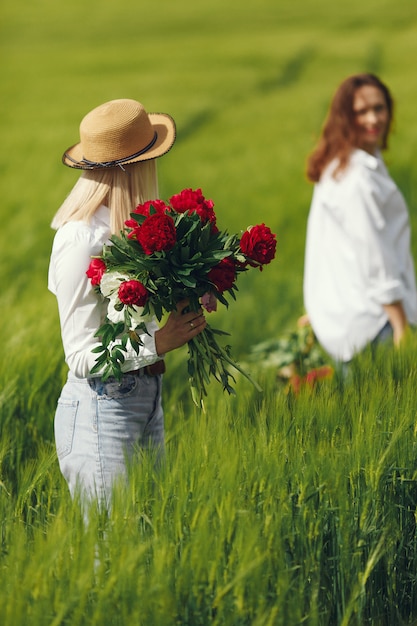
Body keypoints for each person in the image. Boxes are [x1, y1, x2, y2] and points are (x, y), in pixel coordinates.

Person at [48, 98, 206, 508]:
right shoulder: (80, 241)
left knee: (147, 545)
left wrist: (191, 289)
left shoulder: (132, 226)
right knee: (111, 556)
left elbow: (134, 315)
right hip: (102, 410)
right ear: (135, 165)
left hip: (145, 398)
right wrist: (157, 342)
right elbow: (80, 355)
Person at [303, 73, 417, 365]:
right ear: (345, 118)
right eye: (361, 112)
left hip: (350, 320)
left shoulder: (344, 164)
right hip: (376, 323)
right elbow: (375, 256)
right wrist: (401, 326)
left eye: (379, 108)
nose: (373, 119)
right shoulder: (357, 179)